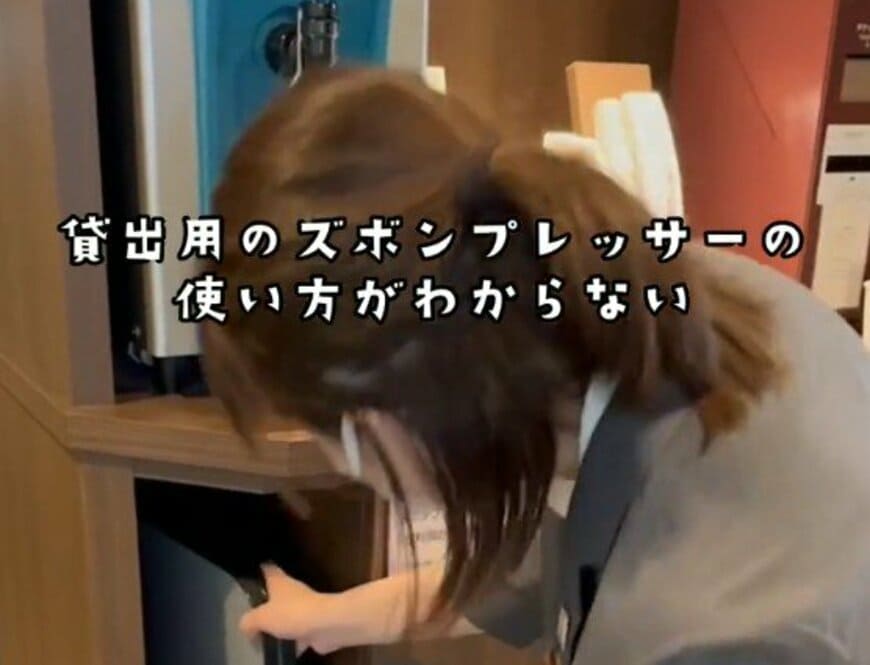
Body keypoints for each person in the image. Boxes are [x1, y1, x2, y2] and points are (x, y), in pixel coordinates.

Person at [201, 67, 870, 665]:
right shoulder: (661, 310)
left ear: (376, 418)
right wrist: (336, 616)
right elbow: (543, 564)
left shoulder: (708, 630)